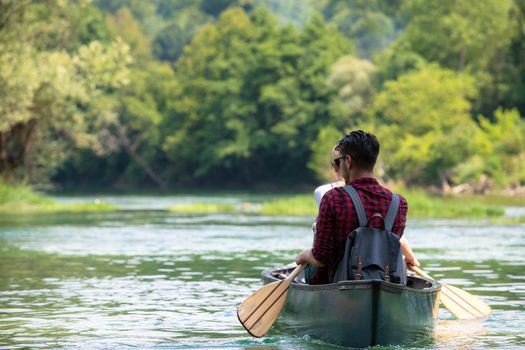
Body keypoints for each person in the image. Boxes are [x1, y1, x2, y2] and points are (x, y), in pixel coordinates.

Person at [297, 130, 419, 284]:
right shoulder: (398, 203)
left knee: (308, 272)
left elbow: (321, 257)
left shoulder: (334, 198)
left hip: (338, 284)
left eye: (339, 161)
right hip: (384, 282)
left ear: (348, 161)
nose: (338, 166)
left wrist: (303, 256)